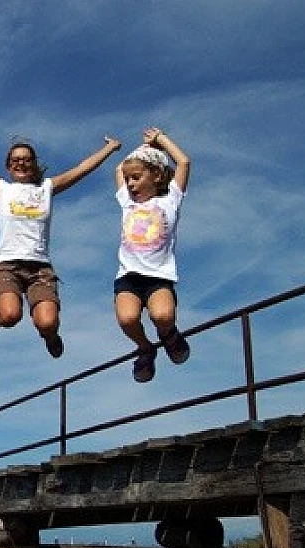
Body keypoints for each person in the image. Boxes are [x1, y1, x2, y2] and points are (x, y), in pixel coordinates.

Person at [0, 109, 121, 356]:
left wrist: (109, 149)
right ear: (8, 166)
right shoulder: (0, 189)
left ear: (34, 164)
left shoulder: (47, 188)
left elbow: (82, 169)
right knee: (10, 315)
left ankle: (50, 333)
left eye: (26, 159)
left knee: (47, 322)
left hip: (40, 268)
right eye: (15, 160)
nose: (21, 163)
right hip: (7, 264)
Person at [112, 127, 191, 382]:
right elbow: (118, 169)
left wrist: (160, 141)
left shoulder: (170, 200)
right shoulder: (128, 202)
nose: (130, 183)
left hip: (158, 276)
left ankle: (168, 334)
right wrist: (143, 149)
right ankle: (145, 348)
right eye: (128, 179)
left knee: (163, 316)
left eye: (136, 177)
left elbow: (183, 162)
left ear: (156, 176)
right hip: (129, 276)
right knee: (127, 319)